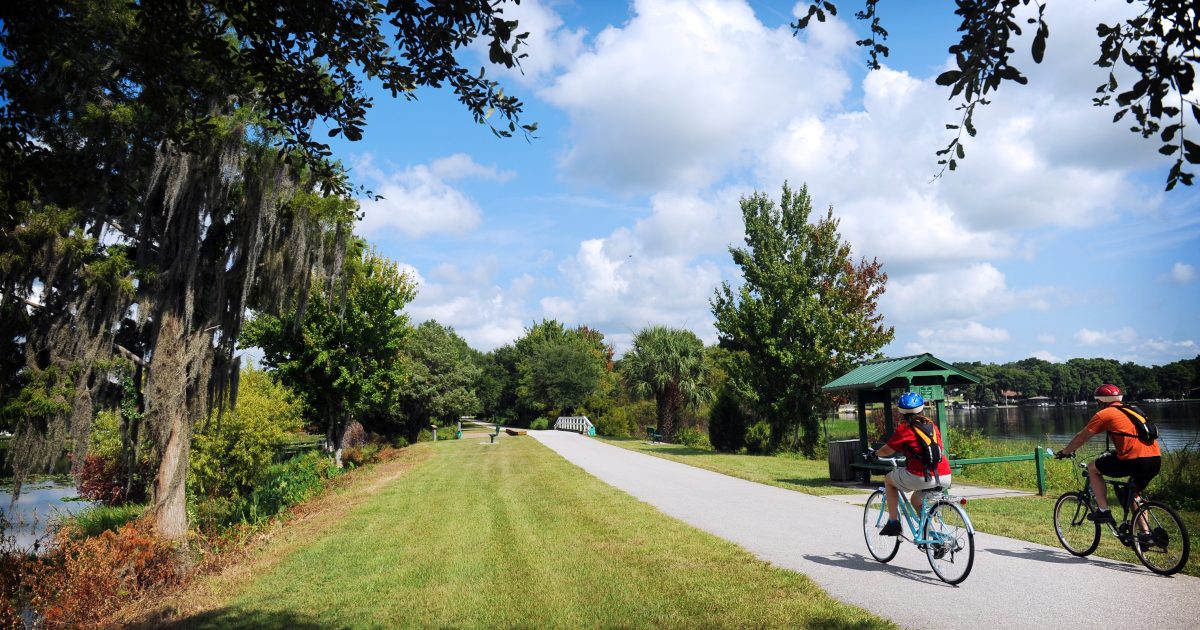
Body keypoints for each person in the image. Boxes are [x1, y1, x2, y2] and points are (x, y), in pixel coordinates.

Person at [1058, 384, 1161, 525]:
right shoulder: (1133, 410)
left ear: (1100, 401)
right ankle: (1146, 535)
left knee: (1092, 468)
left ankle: (1103, 511)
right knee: (1132, 493)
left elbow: (1082, 437)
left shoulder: (1105, 413)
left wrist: (1065, 452)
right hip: (1155, 460)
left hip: (1133, 460)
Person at [871, 392, 952, 536]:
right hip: (944, 475)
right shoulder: (931, 425)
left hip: (920, 476)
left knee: (889, 480)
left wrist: (875, 454)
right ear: (921, 408)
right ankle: (935, 536)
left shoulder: (905, 429)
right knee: (916, 499)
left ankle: (893, 523)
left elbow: (887, 450)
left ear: (901, 410)